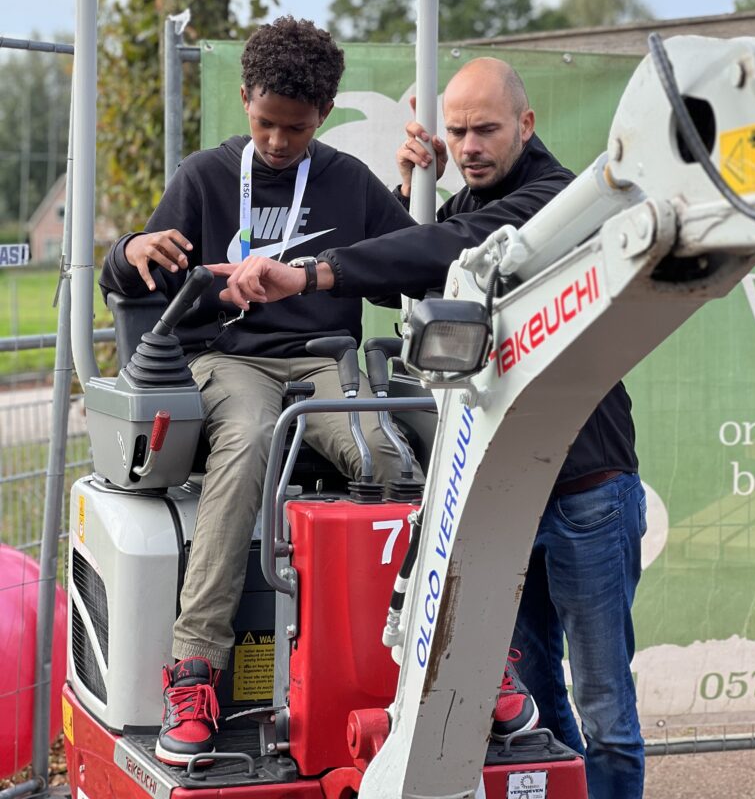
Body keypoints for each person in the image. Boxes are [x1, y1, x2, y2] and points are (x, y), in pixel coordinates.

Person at [208, 57, 647, 799]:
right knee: (538, 699)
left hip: (584, 490)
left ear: (527, 125)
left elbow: (443, 252)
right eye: (457, 130)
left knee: (605, 710)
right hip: (510, 496)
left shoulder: (555, 200)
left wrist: (312, 274)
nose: (469, 144)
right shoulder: (466, 205)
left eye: (485, 129)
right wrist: (411, 191)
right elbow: (406, 269)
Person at [100, 16, 421, 767]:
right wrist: (129, 249)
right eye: (267, 124)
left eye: (297, 130)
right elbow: (137, 276)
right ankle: (196, 670)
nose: (279, 142)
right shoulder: (204, 178)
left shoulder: (347, 180)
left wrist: (413, 188)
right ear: (245, 99)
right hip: (230, 359)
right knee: (247, 442)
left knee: (390, 459)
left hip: (323, 360)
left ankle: (418, 652)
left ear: (325, 115)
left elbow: (412, 258)